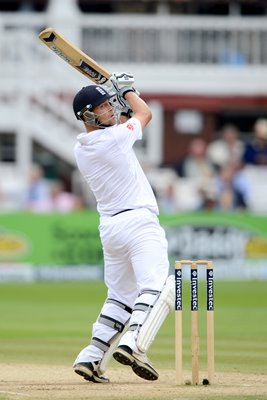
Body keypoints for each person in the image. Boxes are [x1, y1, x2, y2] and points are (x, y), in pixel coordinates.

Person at [71, 74, 172, 383]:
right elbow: (144, 114)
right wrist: (127, 90)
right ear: (88, 115)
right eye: (102, 107)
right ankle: (134, 343)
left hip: (112, 228)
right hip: (139, 223)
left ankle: (91, 356)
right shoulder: (113, 138)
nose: (110, 109)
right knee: (157, 288)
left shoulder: (85, 145)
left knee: (120, 297)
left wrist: (125, 98)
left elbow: (128, 119)